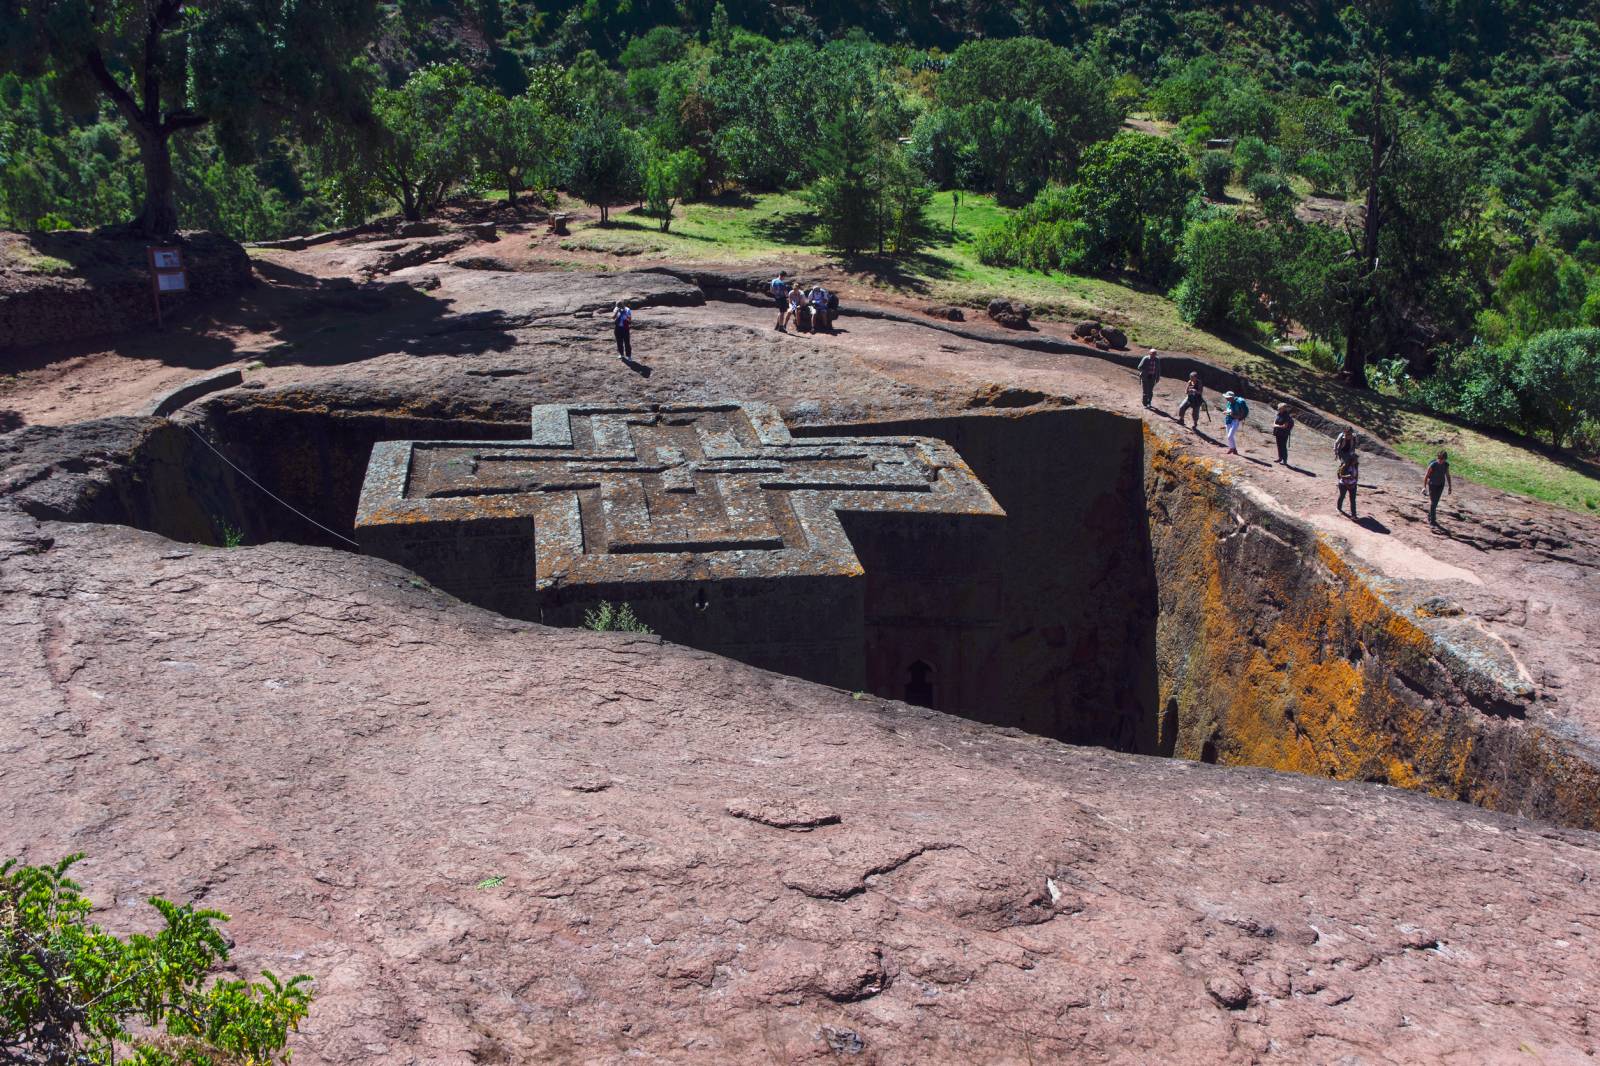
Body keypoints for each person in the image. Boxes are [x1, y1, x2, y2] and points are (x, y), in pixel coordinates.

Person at [1424, 450, 1453, 526]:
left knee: (1435, 502)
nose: (1440, 460)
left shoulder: (1446, 465)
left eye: (1442, 459)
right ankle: (1432, 520)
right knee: (1433, 502)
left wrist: (1450, 487)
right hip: (1432, 484)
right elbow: (1426, 476)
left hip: (1440, 485)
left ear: (1445, 459)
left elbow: (1448, 475)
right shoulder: (1433, 465)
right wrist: (1424, 487)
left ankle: (1430, 515)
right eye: (1439, 458)